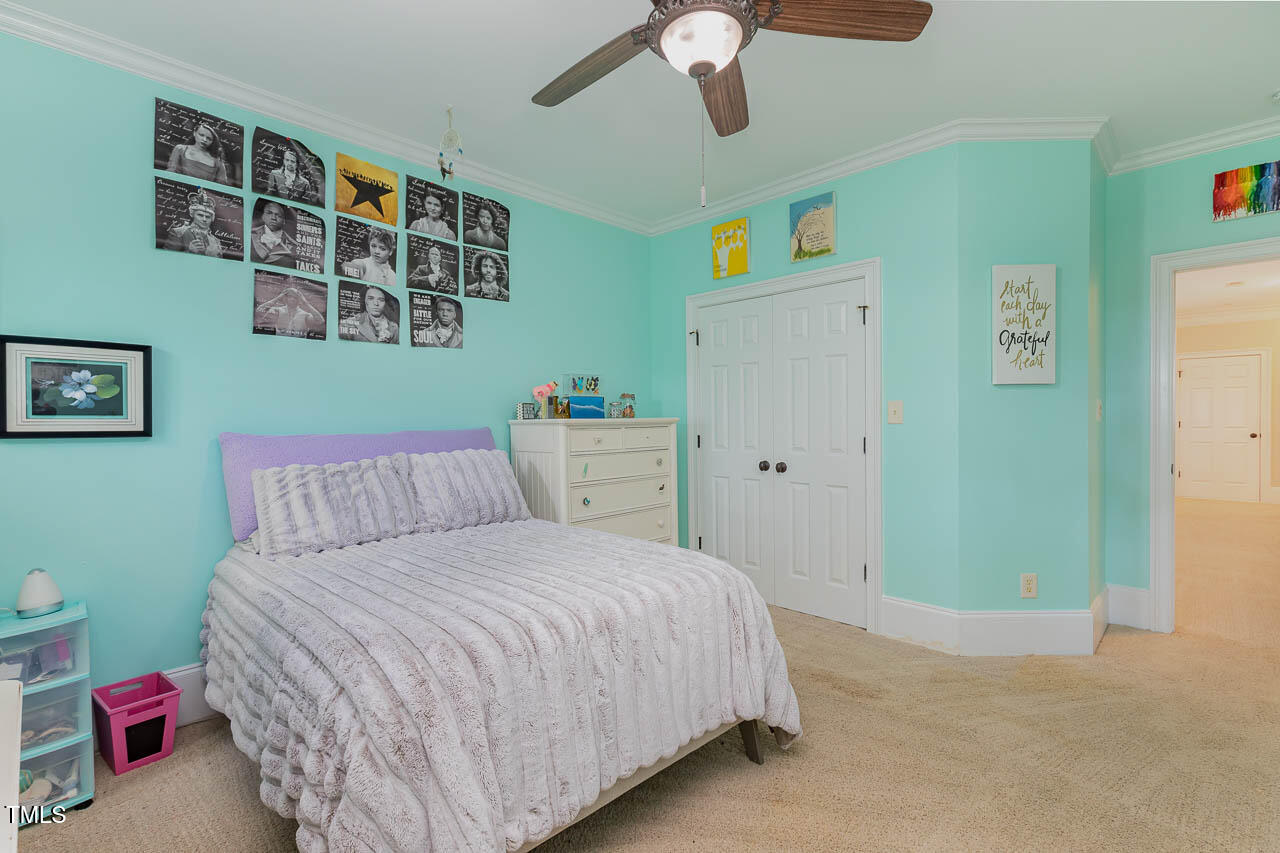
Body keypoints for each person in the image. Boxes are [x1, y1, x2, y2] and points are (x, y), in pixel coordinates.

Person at [164, 188, 223, 257]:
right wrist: (190, 251)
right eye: (200, 215)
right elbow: (166, 257)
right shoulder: (178, 232)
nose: (204, 219)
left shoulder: (216, 241)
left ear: (212, 219)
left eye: (208, 217)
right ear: (193, 215)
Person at [254, 286, 323, 337]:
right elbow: (259, 311)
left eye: (295, 297)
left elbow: (320, 321)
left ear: (300, 299)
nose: (292, 299)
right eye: (290, 296)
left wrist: (306, 303)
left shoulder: (305, 315)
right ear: (285, 298)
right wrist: (277, 298)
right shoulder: (278, 311)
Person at [250, 201, 298, 267]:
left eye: (278, 215)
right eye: (269, 213)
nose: (273, 218)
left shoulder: (294, 246)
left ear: (284, 221)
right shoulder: (249, 234)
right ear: (263, 216)